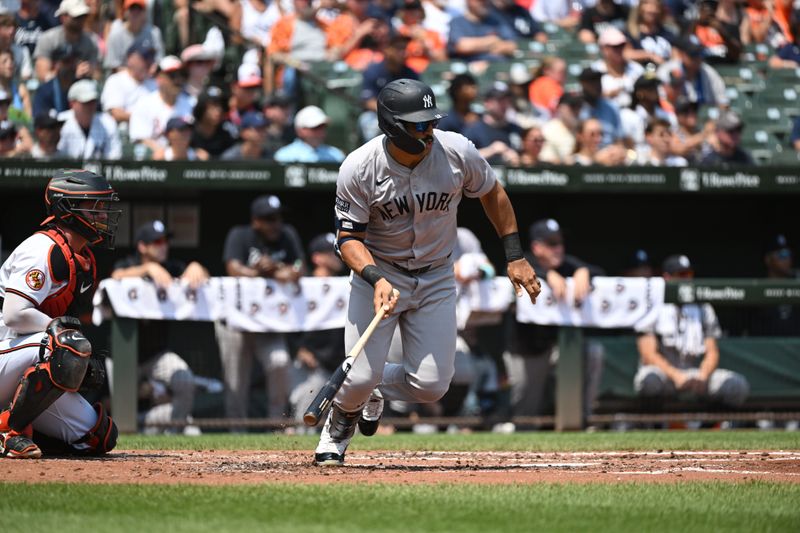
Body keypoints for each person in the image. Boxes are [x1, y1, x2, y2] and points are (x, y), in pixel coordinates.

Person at [314, 78, 540, 466]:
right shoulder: (359, 167)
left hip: (436, 275)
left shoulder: (456, 151)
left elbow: (492, 192)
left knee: (431, 386)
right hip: (380, 273)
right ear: (393, 125)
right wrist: (375, 278)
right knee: (359, 377)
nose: (428, 131)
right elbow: (348, 239)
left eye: (431, 121)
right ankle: (339, 424)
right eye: (418, 124)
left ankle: (371, 387)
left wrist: (515, 255)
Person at [0, 169, 120, 458]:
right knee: (66, 343)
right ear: (67, 208)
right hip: (5, 349)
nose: (102, 216)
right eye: (94, 208)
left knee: (99, 437)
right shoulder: (43, 248)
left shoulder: (83, 259)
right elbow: (14, 315)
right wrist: (65, 339)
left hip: (18, 362)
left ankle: (26, 424)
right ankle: (8, 430)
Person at [110, 220, 210, 434]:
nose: (163, 245)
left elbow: (202, 278)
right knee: (110, 398)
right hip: (123, 356)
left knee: (185, 380)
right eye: (157, 242)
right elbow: (115, 277)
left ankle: (174, 434)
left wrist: (196, 266)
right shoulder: (128, 263)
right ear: (142, 246)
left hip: (156, 356)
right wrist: (148, 268)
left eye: (165, 241)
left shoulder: (171, 267)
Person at [216, 195, 306, 425]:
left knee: (279, 362)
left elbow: (299, 266)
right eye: (269, 219)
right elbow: (232, 267)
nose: (275, 224)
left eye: (277, 218)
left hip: (269, 321)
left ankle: (276, 424)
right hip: (237, 322)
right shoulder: (240, 234)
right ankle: (237, 430)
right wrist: (257, 272)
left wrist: (275, 267)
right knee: (236, 380)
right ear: (256, 221)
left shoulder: (288, 235)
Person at [503, 219, 604, 425]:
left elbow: (599, 272)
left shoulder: (568, 264)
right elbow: (506, 271)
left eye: (559, 242)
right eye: (551, 243)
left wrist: (583, 271)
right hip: (527, 349)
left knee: (592, 352)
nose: (558, 248)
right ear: (537, 246)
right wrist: (547, 275)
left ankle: (583, 418)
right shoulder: (524, 262)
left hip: (558, 348)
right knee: (525, 417)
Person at [634, 254, 750, 407]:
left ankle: (711, 428)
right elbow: (648, 354)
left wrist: (703, 375)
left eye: (690, 274)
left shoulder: (703, 307)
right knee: (649, 381)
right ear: (667, 277)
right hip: (665, 375)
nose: (687, 279)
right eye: (682, 274)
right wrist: (676, 376)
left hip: (695, 373)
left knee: (737, 385)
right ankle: (654, 427)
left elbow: (712, 351)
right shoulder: (652, 306)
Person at [288, 233, 348, 429]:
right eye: (331, 253)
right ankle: (296, 436)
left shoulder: (346, 285)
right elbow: (285, 323)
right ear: (317, 258)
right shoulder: (303, 287)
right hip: (312, 365)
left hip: (341, 364)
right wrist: (299, 349)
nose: (337, 256)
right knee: (312, 391)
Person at [33, 0, 99, 84]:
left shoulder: (91, 41)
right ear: (63, 17)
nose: (80, 20)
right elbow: (42, 75)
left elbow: (97, 74)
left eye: (83, 16)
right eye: (76, 17)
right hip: (53, 89)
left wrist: (89, 71)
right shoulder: (48, 39)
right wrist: (70, 75)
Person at [58, 78, 122, 160]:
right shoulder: (60, 123)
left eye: (93, 102)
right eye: (85, 103)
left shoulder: (107, 123)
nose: (90, 107)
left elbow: (114, 158)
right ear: (72, 104)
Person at [749, 234, 800, 336]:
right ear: (768, 259)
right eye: (782, 255)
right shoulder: (757, 289)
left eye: (788, 254)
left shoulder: (797, 283)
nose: (787, 259)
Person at [100, 39, 158, 125]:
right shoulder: (116, 80)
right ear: (130, 59)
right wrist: (146, 119)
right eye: (145, 57)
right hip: (125, 132)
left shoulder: (154, 83)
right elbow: (116, 114)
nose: (149, 62)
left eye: (151, 58)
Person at [103, 0, 164, 72]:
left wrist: (150, 71)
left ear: (145, 13)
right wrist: (134, 73)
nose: (135, 13)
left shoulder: (154, 33)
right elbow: (113, 66)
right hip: (123, 78)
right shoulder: (115, 34)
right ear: (125, 12)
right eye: (132, 9)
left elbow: (158, 61)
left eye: (139, 9)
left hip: (148, 77)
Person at [274, 105, 346, 163]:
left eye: (322, 127)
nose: (320, 132)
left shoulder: (337, 155)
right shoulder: (284, 156)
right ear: (300, 130)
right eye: (315, 128)